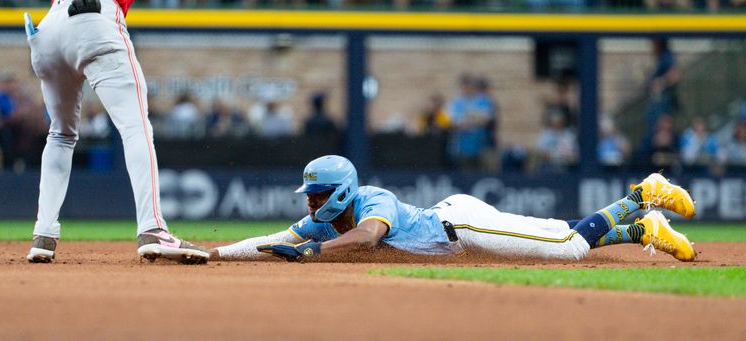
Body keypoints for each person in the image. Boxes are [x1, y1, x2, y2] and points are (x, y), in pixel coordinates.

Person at [25, 0, 269, 264]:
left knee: (61, 134)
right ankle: (153, 229)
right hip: (93, 21)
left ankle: (43, 236)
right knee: (137, 128)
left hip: (50, 35)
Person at [212, 155, 696, 263]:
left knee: (568, 247)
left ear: (341, 190)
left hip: (460, 224)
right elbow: (275, 242)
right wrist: (213, 254)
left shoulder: (370, 201)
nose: (311, 203)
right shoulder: (319, 222)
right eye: (309, 196)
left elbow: (368, 236)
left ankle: (642, 195)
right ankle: (642, 230)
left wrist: (315, 253)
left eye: (316, 195)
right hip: (455, 226)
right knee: (556, 229)